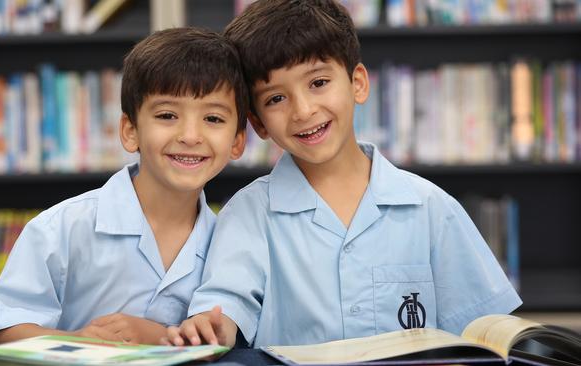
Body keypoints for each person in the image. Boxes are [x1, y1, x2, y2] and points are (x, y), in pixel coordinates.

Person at [165, 0, 522, 348]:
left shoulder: (429, 207)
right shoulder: (248, 213)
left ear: (358, 84)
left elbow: (486, 329)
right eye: (276, 99)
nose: (303, 110)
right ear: (258, 123)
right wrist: (211, 327)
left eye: (318, 82)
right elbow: (225, 307)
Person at [0, 27, 248, 346]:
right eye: (167, 115)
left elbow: (228, 342)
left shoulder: (229, 243)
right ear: (130, 131)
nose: (189, 135)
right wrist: (80, 341)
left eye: (213, 119)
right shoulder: (61, 227)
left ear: (238, 141)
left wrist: (155, 335)